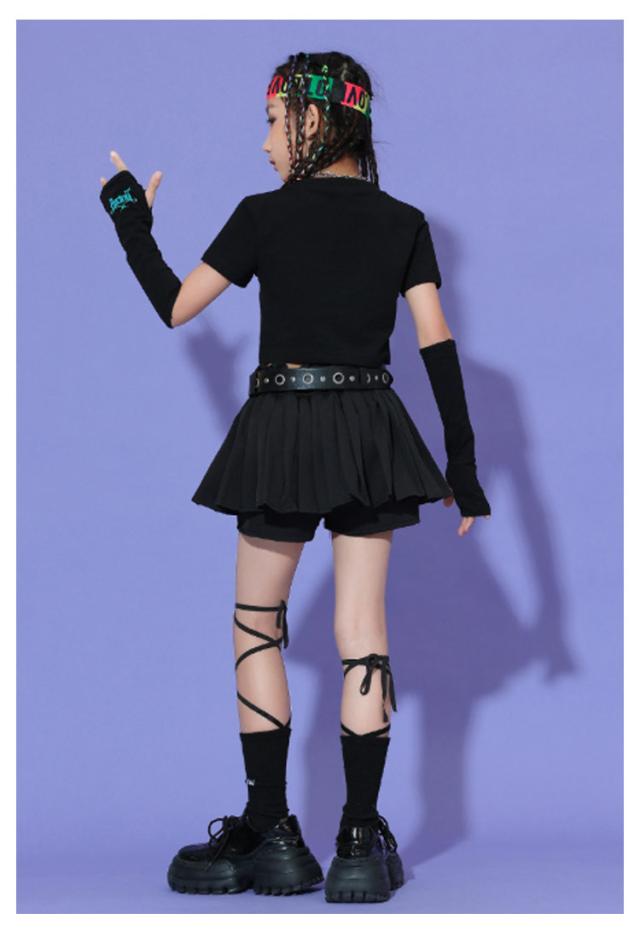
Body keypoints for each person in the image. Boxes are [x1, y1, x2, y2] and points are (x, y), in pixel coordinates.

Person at [99, 50, 491, 905]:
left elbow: (175, 305)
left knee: (256, 625)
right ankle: (358, 836)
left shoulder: (262, 215)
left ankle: (273, 830)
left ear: (314, 119)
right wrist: (461, 465)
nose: (266, 142)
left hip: (281, 422)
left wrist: (130, 219)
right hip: (370, 425)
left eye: (273, 122)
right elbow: (437, 343)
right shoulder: (404, 221)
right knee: (363, 633)